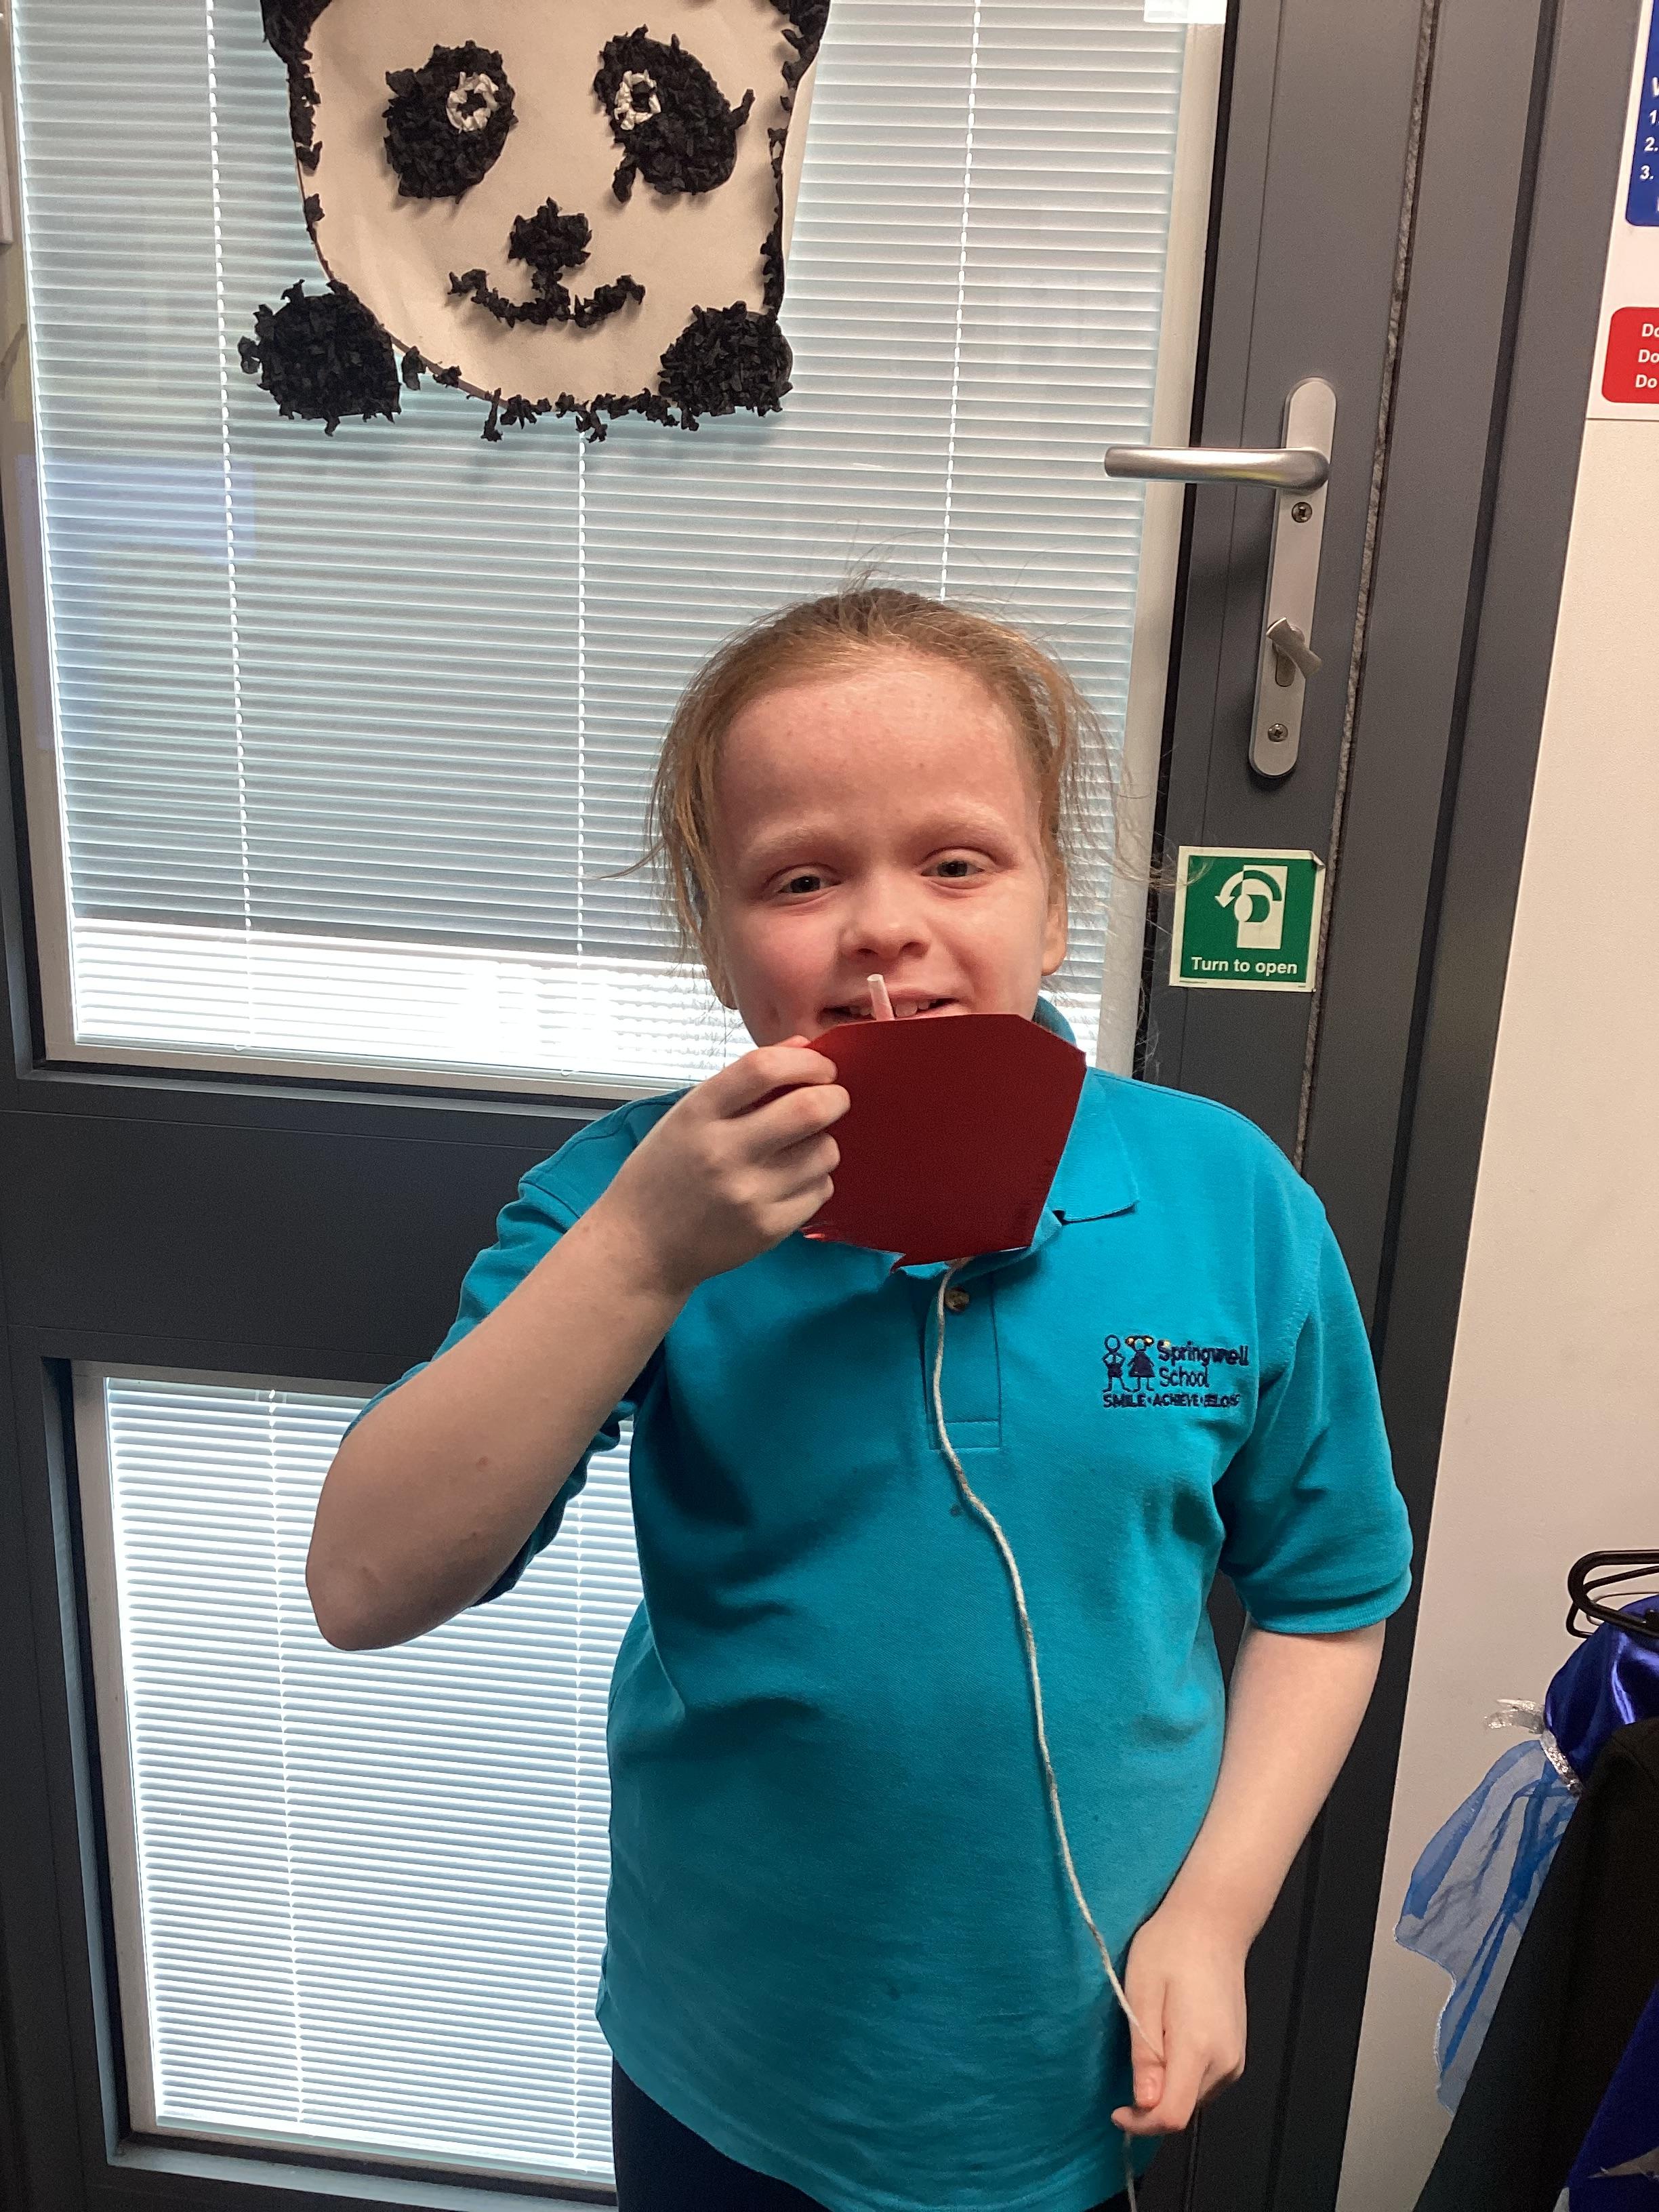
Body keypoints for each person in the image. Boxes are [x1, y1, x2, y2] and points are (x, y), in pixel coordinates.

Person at [306, 586, 1414, 2212]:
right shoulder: (626, 1201)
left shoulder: (1224, 1199)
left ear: (1054, 910)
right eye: (801, 878)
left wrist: (1218, 1912)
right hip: (726, 2070)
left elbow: (1330, 1596)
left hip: (1074, 2069)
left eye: (959, 862)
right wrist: (643, 1255)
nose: (884, 926)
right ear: (716, 939)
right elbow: (363, 1584)